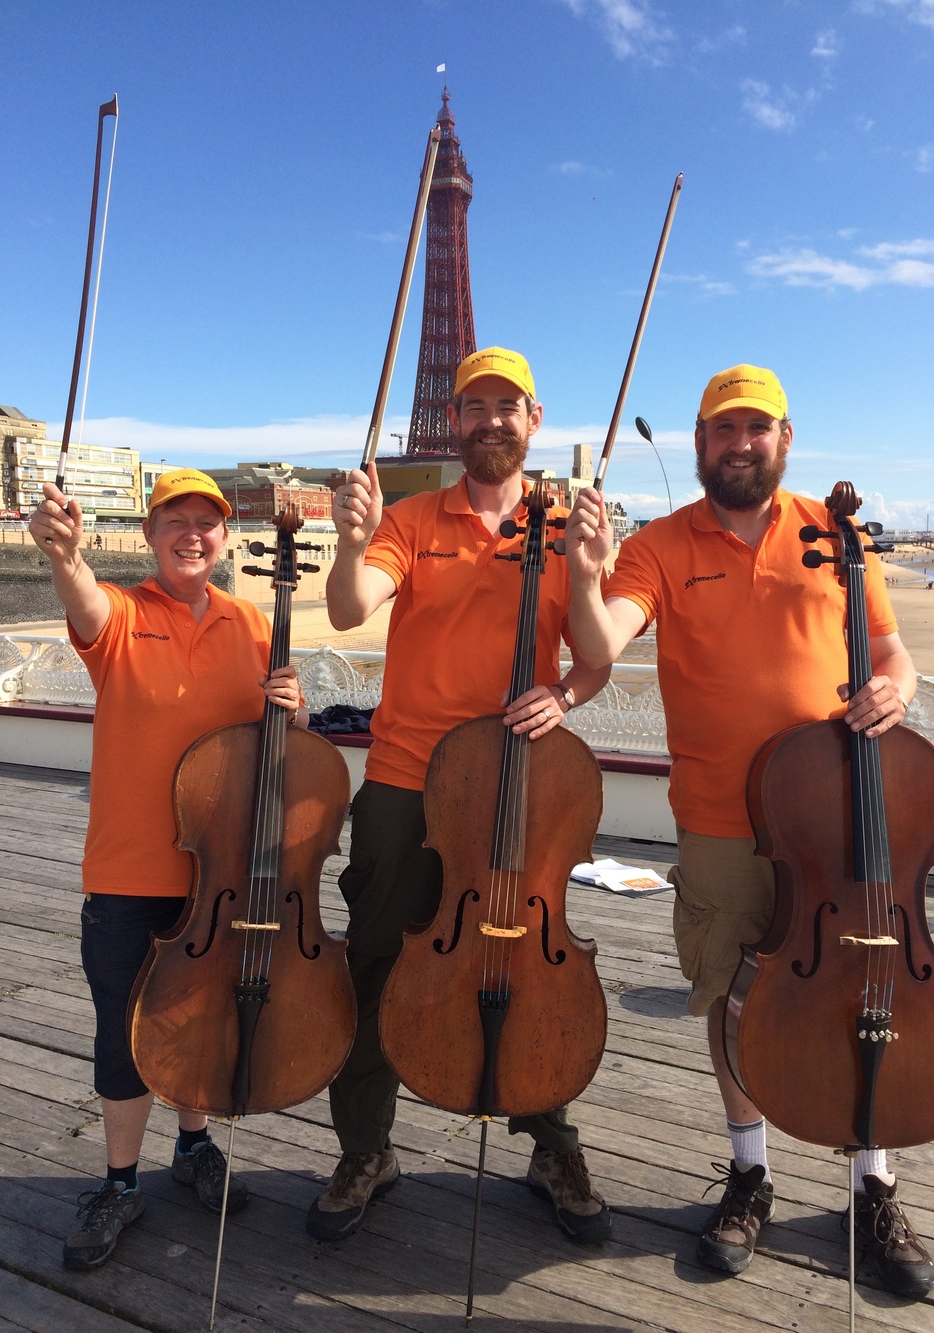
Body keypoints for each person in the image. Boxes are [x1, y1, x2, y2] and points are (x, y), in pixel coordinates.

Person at [564, 364, 934, 1297]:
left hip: (839, 818)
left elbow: (888, 649)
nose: (739, 443)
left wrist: (899, 688)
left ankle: (871, 1180)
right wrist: (579, 573)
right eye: (722, 430)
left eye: (755, 428)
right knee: (731, 996)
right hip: (723, 822)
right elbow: (602, 643)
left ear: (785, 437)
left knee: (862, 990)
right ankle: (750, 1169)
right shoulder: (658, 543)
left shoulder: (836, 530)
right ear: (699, 444)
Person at [309, 346, 612, 1246]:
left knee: (528, 963)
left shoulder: (567, 529)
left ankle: (551, 1141)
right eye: (474, 406)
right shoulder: (411, 518)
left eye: (506, 407)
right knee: (375, 957)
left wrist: (565, 693)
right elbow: (349, 608)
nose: (491, 421)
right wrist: (352, 542)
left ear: (534, 419)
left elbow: (596, 659)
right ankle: (366, 1147)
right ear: (456, 419)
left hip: (517, 786)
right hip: (407, 780)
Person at [30, 469, 306, 1271]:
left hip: (220, 875)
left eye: (208, 523)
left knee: (201, 1017)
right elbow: (80, 594)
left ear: (226, 539)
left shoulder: (254, 622)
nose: (194, 534)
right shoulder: (121, 614)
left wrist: (294, 705)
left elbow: (277, 739)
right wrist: (64, 554)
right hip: (127, 869)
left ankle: (193, 1147)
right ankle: (120, 1180)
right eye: (176, 521)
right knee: (124, 1027)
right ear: (151, 536)